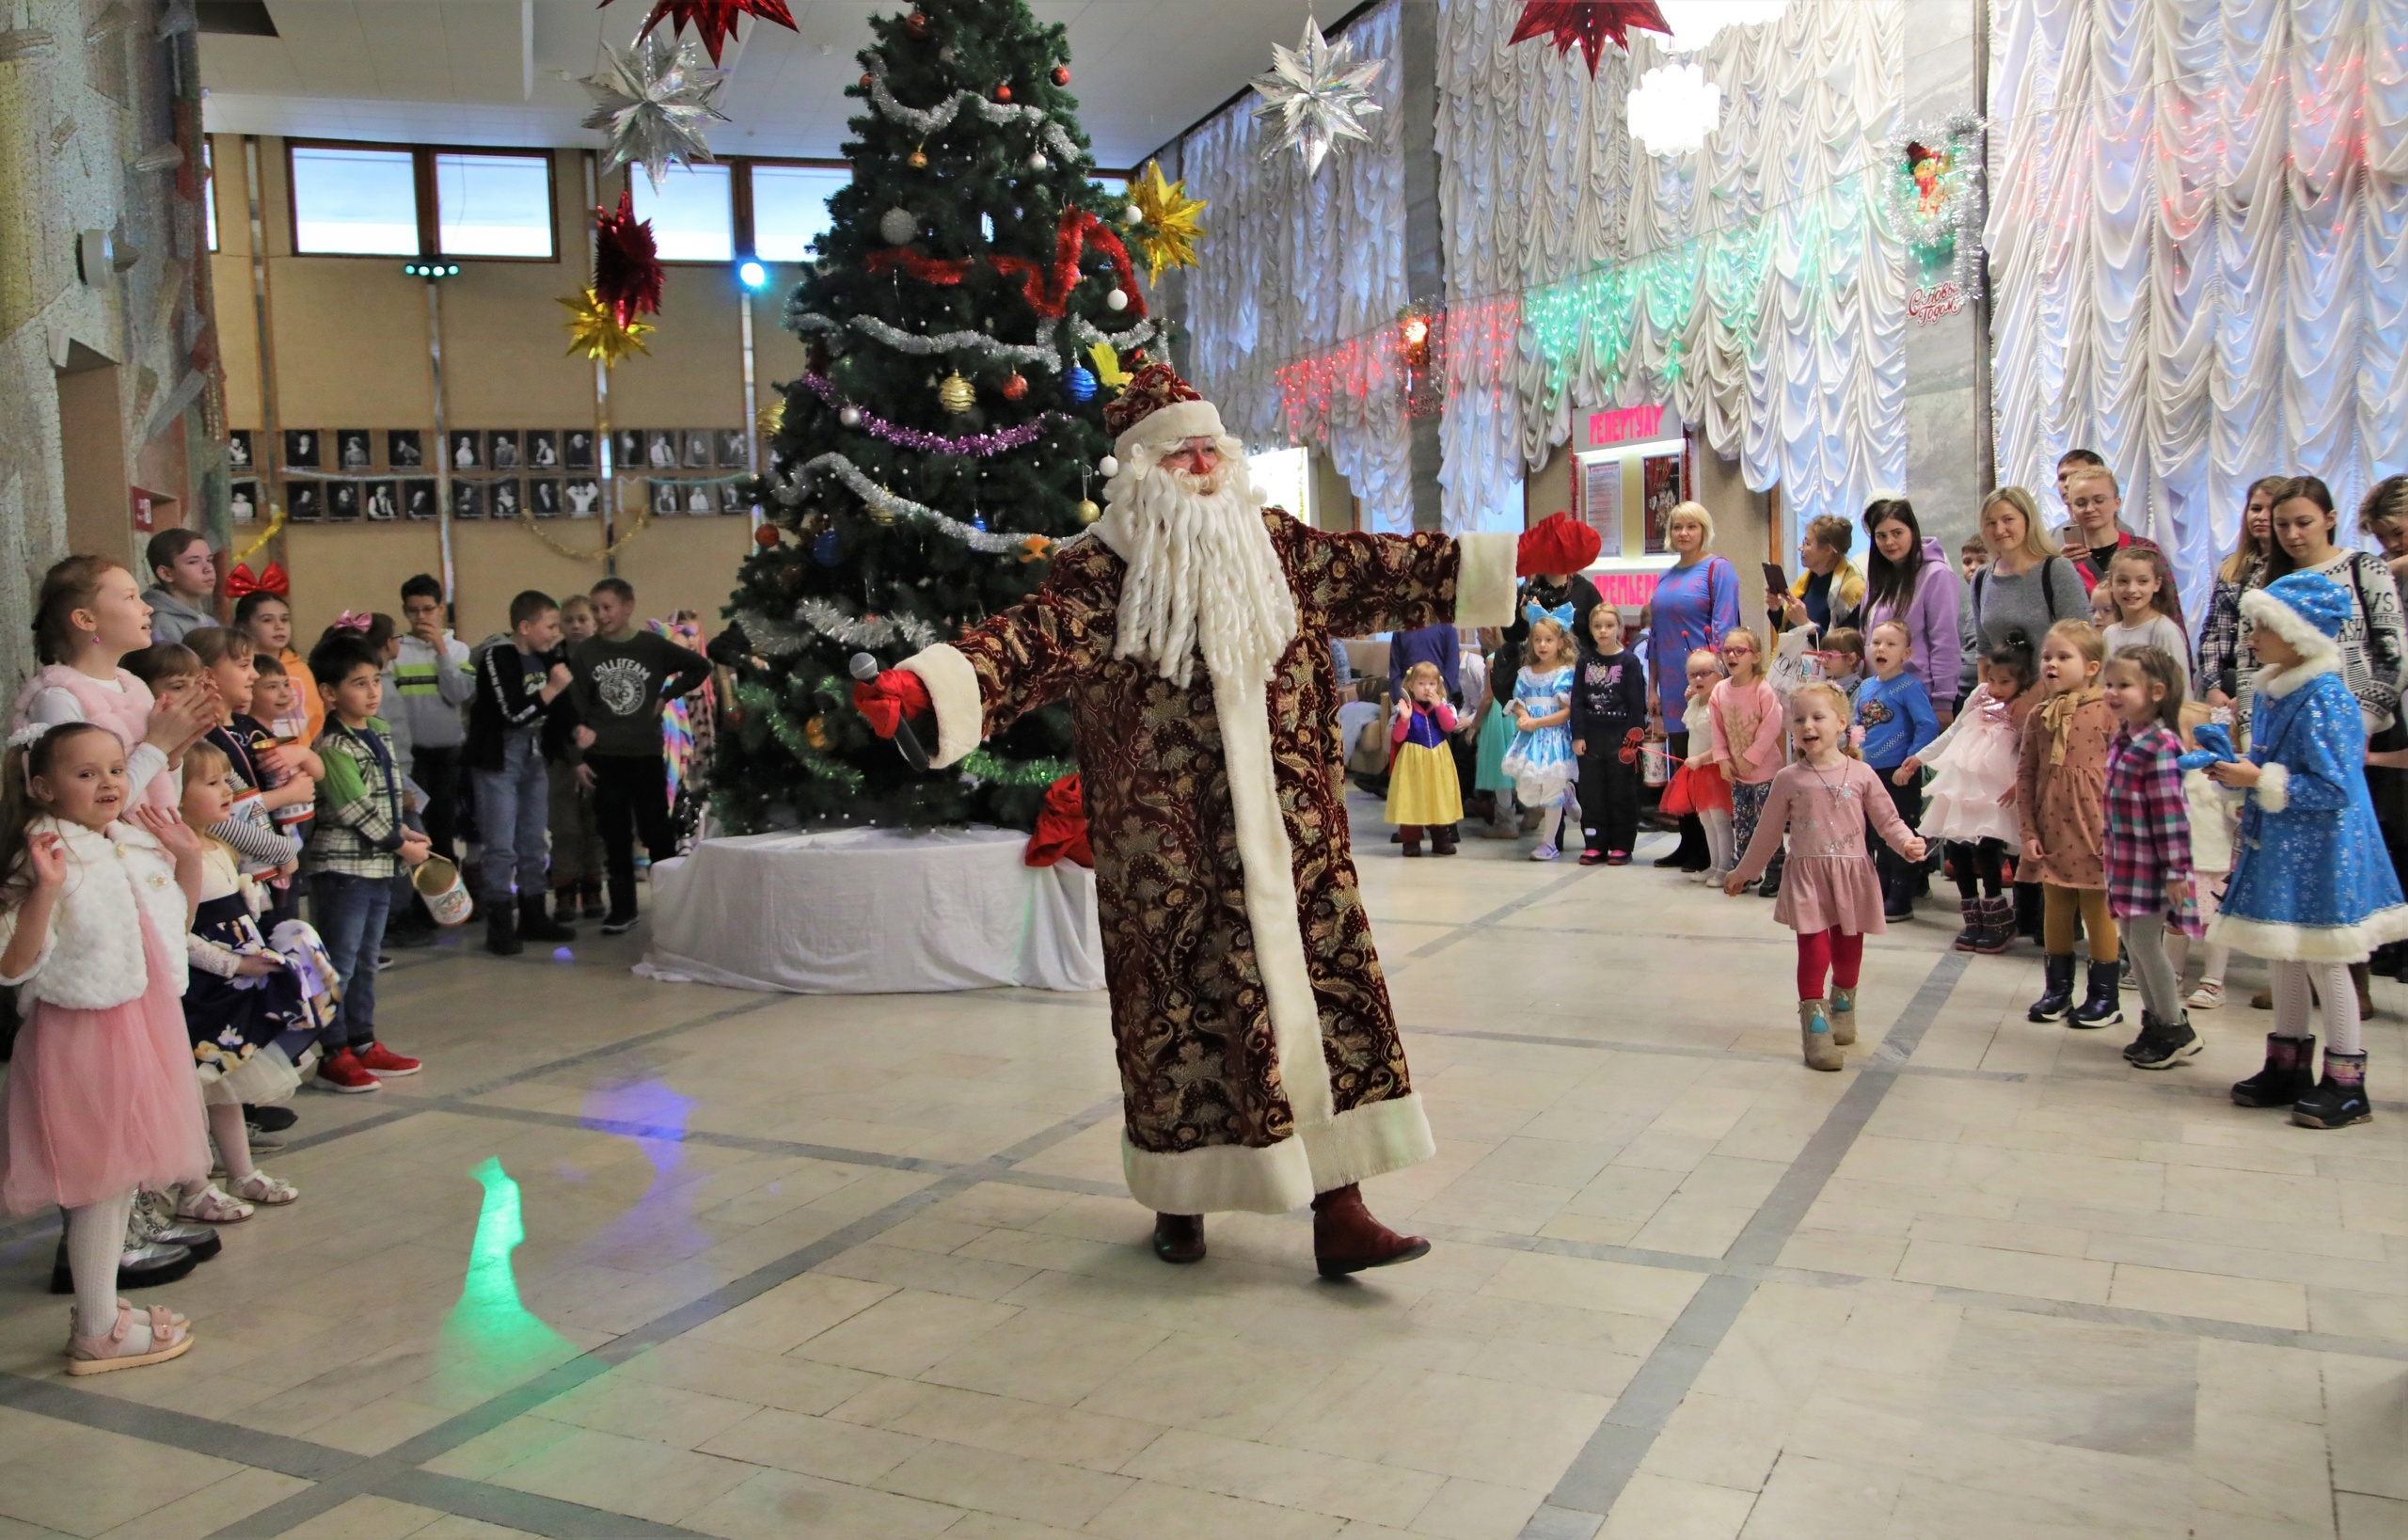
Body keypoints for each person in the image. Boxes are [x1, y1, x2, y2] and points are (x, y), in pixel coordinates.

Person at [851, 361, 1535, 1274]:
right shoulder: (1097, 574)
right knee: (1179, 1026)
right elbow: (1024, 645)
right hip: (1166, 855)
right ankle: (1180, 1194)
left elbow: (1380, 569)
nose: (1201, 463)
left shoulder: (1277, 544)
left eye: (1211, 446)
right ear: (1138, 468)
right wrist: (929, 688)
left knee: (1329, 1010)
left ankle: (1342, 1205)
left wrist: (1508, 562)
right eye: (1181, 451)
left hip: (1296, 844)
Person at [0, 723, 212, 1374]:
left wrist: (187, 860)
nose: (109, 784)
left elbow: (173, 929)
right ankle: (96, 1325)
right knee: (97, 1177)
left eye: (116, 769)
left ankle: (100, 1311)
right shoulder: (45, 853)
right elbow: (13, 966)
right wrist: (44, 891)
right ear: (42, 785)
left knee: (117, 1177)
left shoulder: (123, 842)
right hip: (84, 1033)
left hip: (142, 1023)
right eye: (86, 773)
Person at [2210, 572, 2408, 1128]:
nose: (2250, 637)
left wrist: (2260, 779)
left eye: (2262, 627)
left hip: (2322, 851)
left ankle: (2347, 1082)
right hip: (2282, 845)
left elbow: (2335, 787)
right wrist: (2235, 774)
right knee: (2284, 955)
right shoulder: (2277, 690)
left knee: (2325, 960)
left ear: (2298, 634)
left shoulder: (2327, 698)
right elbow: (2270, 766)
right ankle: (2287, 1064)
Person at [1725, 682, 1927, 1070]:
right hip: (1808, 879)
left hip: (1852, 875)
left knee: (1849, 953)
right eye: (1799, 719)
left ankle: (1843, 1007)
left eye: (1817, 717)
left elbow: (1887, 820)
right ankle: (1815, 1029)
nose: (1807, 725)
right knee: (1814, 953)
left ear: (1840, 723)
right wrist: (1744, 872)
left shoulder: (1863, 773)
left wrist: (1907, 843)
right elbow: (1766, 834)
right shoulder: (1788, 778)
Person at [174, 742, 312, 1207]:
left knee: (226, 1087)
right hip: (204, 986)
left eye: (225, 780)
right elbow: (179, 931)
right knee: (194, 1091)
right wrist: (234, 963)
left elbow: (237, 898)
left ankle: (241, 1172)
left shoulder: (218, 841)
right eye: (211, 783)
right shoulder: (178, 851)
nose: (226, 792)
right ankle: (193, 1184)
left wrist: (253, 901)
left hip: (237, 982)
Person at [302, 633, 429, 1094]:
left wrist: (406, 832)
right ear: (330, 693)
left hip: (377, 867)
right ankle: (332, 1053)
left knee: (367, 961)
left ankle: (362, 1041)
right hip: (343, 870)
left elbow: (386, 803)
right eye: (359, 683)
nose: (372, 691)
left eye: (375, 680)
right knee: (340, 963)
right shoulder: (333, 744)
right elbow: (354, 809)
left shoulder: (377, 733)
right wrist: (401, 843)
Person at [12, 557, 215, 811]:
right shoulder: (58, 698)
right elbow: (91, 808)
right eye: (131, 598)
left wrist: (173, 755)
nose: (147, 608)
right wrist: (158, 745)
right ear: (86, 620)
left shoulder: (135, 687)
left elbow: (162, 805)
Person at [569, 579, 712, 934]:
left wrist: (667, 695)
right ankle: (623, 909)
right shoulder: (586, 653)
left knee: (656, 833)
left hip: (645, 754)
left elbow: (700, 667)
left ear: (628, 606)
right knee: (614, 835)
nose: (601, 615)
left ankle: (669, 906)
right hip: (604, 757)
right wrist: (577, 755)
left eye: (607, 607)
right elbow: (575, 706)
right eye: (596, 608)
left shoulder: (651, 646)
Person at [2100, 646, 2203, 1070]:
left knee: (2145, 942)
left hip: (2152, 868)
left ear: (2156, 691)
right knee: (2132, 942)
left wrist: (2178, 869)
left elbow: (2171, 813)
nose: (2113, 692)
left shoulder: (2160, 746)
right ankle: (2156, 1020)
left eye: (2124, 685)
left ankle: (2174, 1026)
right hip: (2124, 861)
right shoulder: (2124, 738)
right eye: (2109, 684)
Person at [1904, 632, 2035, 952]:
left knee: (1989, 849)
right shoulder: (1978, 695)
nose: (1996, 688)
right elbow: (1954, 731)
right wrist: (1921, 756)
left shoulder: (2024, 707)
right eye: (1992, 679)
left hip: (1997, 789)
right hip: (1963, 785)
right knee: (1958, 848)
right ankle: (1972, 915)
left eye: (2005, 681)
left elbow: (2032, 749)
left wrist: (2021, 783)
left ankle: (1998, 916)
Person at [2020, 620, 2122, 1026]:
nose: (2052, 664)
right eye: (2047, 657)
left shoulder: (2109, 713)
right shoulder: (2039, 715)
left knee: (2098, 910)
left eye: (2064, 657)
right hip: (2052, 828)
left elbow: (2124, 773)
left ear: (2093, 667)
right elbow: (2025, 775)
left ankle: (2103, 996)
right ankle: (2057, 989)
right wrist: (2028, 830)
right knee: (2056, 909)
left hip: (2097, 829)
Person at [467, 591, 578, 956]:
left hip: (534, 755)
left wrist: (576, 729)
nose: (556, 633)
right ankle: (499, 923)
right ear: (525, 627)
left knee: (534, 840)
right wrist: (551, 689)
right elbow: (512, 713)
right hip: (500, 757)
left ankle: (534, 914)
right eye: (550, 626)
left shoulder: (548, 656)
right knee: (501, 845)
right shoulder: (498, 658)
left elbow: (560, 707)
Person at [1647, 502, 1742, 871]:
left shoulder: (1718, 569)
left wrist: (1714, 681)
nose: (1683, 533)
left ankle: (1710, 847)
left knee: (1704, 760)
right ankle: (1687, 841)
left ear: (1704, 530)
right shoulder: (1666, 576)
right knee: (1682, 762)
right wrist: (1652, 688)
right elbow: (1655, 636)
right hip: (1670, 683)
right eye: (1677, 527)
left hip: (1703, 681)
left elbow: (1723, 625)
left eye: (1691, 526)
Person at [1961, 486, 2090, 699]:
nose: (1999, 529)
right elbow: (1984, 649)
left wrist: (2032, 698)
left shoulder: (2056, 569)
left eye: (2008, 520)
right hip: (2003, 700)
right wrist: (1985, 696)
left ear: (2027, 520)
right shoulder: (1982, 578)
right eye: (1991, 523)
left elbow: (2082, 639)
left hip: (2055, 698)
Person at [1855, 620, 1941, 919]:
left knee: (1900, 831)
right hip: (1870, 772)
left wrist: (1911, 761)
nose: (1881, 648)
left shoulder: (1909, 687)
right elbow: (1857, 725)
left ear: (1906, 653)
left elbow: (1927, 724)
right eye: (1876, 642)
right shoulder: (1865, 687)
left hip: (1898, 771)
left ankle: (1902, 894)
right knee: (1877, 833)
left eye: (1890, 644)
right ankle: (1882, 887)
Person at [390, 575, 473, 871]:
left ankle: (449, 895)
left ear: (440, 609)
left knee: (445, 825)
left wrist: (441, 649)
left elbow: (459, 693)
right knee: (416, 827)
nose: (421, 617)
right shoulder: (396, 651)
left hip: (449, 751)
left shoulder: (459, 650)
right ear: (405, 611)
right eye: (414, 611)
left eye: (427, 609)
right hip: (412, 754)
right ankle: (417, 903)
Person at [1860, 499, 1962, 717]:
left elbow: (1945, 643)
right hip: (1878, 694)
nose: (1889, 542)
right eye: (1881, 536)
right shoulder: (1878, 577)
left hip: (1919, 697)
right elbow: (1866, 635)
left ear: (1912, 532)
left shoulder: (1936, 575)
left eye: (1897, 533)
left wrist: (1943, 701)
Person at [545, 594, 609, 922]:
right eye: (567, 620)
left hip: (598, 755)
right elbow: (554, 717)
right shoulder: (551, 663)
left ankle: (593, 887)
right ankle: (566, 893)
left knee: (594, 825)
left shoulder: (605, 659)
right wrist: (573, 758)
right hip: (561, 756)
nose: (575, 626)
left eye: (582, 619)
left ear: (594, 622)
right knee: (565, 827)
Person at [1570, 602, 1650, 864]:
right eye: (1597, 626)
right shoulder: (1584, 661)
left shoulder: (1629, 661)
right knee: (1592, 792)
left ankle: (1621, 844)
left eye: (1608, 625)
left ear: (1619, 627)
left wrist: (1632, 741)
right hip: (1592, 737)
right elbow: (1578, 701)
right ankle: (1595, 841)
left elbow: (1636, 704)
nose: (1603, 631)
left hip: (1621, 738)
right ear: (1591, 629)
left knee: (1621, 792)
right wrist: (1578, 735)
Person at [2197, 477, 2286, 710]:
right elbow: (2213, 630)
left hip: (2268, 687)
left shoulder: (2291, 570)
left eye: (2271, 510)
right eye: (2256, 509)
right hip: (2226, 681)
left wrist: (2250, 693)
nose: (2261, 516)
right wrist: (2212, 685)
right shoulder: (2231, 565)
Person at [1710, 627, 1784, 889]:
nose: (1732, 655)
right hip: (1737, 773)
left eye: (1739, 650)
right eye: (1727, 650)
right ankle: (1746, 872)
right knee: (1742, 823)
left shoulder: (1762, 689)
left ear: (1755, 657)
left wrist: (1752, 757)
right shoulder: (1719, 691)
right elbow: (1717, 729)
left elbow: (1772, 726)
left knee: (1768, 823)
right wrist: (1722, 758)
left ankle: (1776, 871)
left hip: (1765, 771)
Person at [1500, 613, 1579, 862]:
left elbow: (1567, 712)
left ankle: (1549, 843)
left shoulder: (1565, 673)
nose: (1543, 645)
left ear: (1561, 642)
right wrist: (1523, 715)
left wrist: (1537, 722)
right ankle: (1567, 793)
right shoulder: (1525, 673)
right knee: (1528, 791)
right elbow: (1518, 702)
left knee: (1550, 788)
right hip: (1529, 738)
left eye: (1549, 640)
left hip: (1553, 737)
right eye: (1537, 640)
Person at [1665, 648, 1735, 881]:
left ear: (1719, 675)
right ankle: (1714, 865)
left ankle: (1725, 866)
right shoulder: (1695, 702)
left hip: (1715, 768)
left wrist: (1701, 758)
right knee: (1706, 818)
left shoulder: (1720, 703)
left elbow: (1725, 743)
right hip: (1698, 771)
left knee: (1719, 819)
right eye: (1692, 674)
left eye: (1705, 673)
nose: (1698, 679)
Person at [1385, 662, 1461, 856]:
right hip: (1412, 761)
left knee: (1437, 796)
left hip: (1438, 759)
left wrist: (1439, 707)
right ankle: (1411, 840)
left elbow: (1449, 725)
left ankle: (1441, 837)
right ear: (1411, 685)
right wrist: (1405, 718)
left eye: (1432, 684)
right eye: (1421, 683)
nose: (1427, 688)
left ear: (1439, 686)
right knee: (1412, 797)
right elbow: (1398, 737)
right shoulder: (1404, 709)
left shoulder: (1443, 706)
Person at [2100, 546, 2191, 697]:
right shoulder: (2109, 633)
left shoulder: (2165, 631)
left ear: (2156, 584)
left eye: (2142, 581)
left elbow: (2181, 692)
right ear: (2111, 583)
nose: (2131, 589)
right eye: (2123, 581)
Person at [236, 591, 323, 747]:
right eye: (267, 620)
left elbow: (315, 715)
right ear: (244, 627)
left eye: (284, 619)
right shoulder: (240, 670)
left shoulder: (300, 668)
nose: (279, 626)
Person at [2059, 465, 2157, 593]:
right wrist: (2061, 569)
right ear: (2072, 510)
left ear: (2117, 503)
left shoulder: (2145, 550)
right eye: (2081, 503)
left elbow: (2168, 604)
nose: (2090, 509)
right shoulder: (2064, 562)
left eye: (2099, 500)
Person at [1769, 515, 1865, 638]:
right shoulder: (1806, 580)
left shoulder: (1852, 592)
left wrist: (1806, 625)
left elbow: (1844, 649)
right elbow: (1790, 634)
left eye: (1807, 543)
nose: (1801, 548)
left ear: (1827, 549)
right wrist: (1776, 610)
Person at [140, 530, 217, 644]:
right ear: (166, 573)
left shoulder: (206, 620)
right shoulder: (162, 624)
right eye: (193, 562)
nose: (208, 569)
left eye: (209, 560)